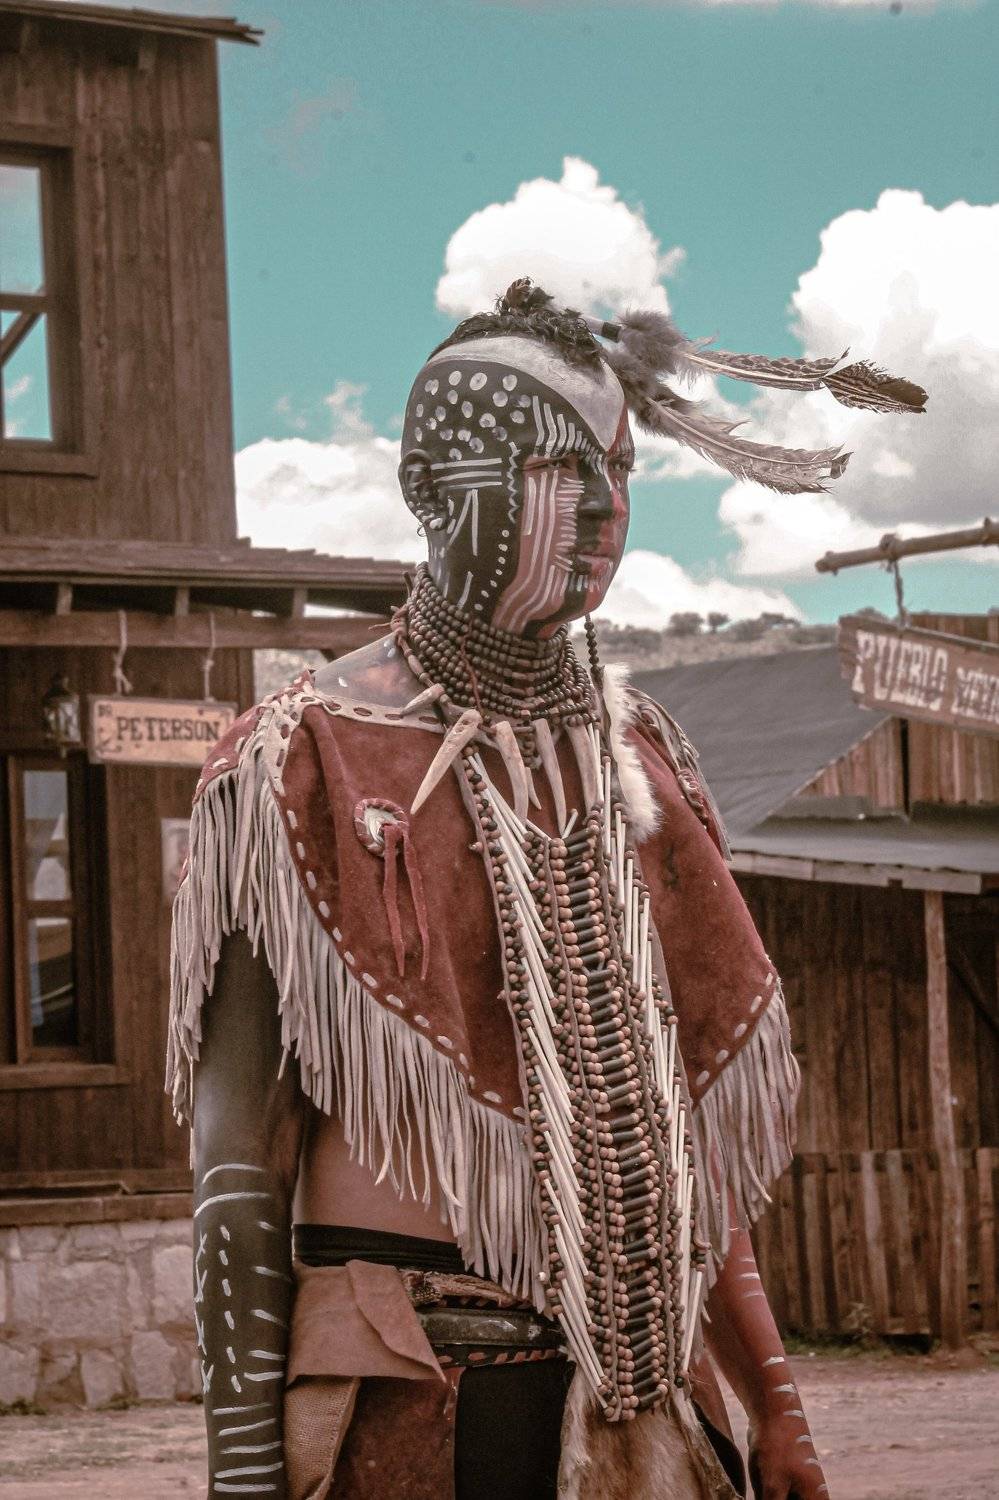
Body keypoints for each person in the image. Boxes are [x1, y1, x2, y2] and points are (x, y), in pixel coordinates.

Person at [168, 281, 923, 1498]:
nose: (604, 509)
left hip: (642, 1422)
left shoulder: (644, 764)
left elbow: (682, 1143)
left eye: (619, 468)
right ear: (435, 487)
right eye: (558, 468)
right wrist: (244, 1472)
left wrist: (777, 1406)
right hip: (404, 1408)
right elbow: (237, 1168)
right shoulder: (299, 764)